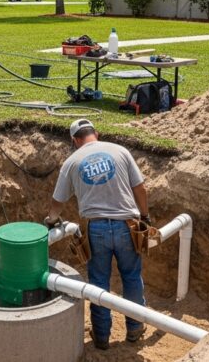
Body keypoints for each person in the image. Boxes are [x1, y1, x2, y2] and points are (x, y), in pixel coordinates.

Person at [44, 118, 151, 350]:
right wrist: (145, 217)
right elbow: (140, 187)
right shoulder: (120, 151)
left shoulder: (72, 162)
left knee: (98, 283)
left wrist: (51, 221)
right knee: (132, 277)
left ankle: (101, 337)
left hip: (96, 230)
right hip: (127, 226)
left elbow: (57, 202)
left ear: (74, 140)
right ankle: (135, 329)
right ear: (96, 133)